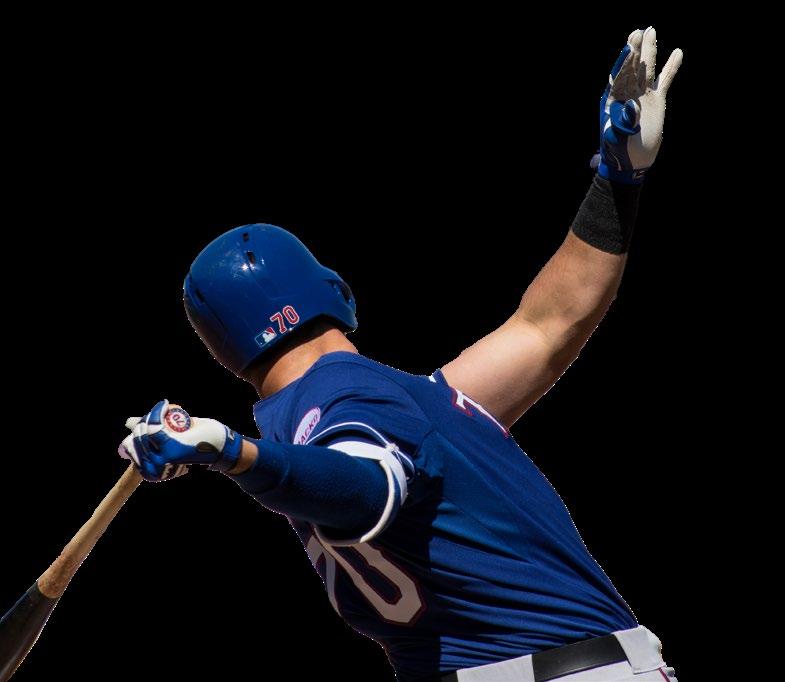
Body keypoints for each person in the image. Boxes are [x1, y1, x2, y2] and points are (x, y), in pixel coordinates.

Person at [119, 27, 683, 682]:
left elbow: (549, 323)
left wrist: (617, 178)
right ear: (329, 288)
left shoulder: (385, 408)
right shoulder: (342, 393)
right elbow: (366, 489)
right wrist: (230, 450)